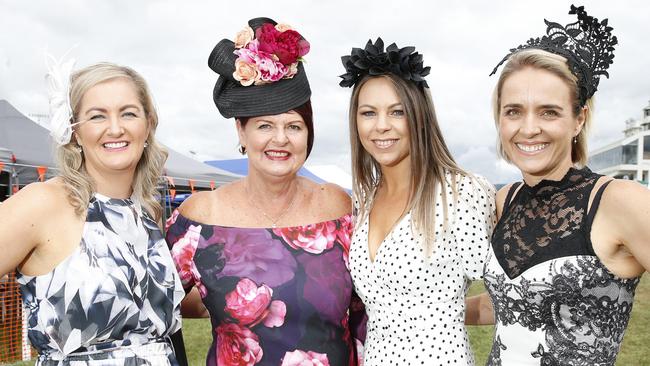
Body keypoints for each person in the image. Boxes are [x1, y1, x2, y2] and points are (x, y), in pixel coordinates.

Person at [165, 17, 365, 366]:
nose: (280, 139)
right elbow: (151, 314)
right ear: (241, 133)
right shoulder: (199, 217)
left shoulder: (338, 206)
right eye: (264, 125)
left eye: (293, 125)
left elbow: (366, 313)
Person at [465, 6, 650, 365]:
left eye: (549, 111)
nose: (529, 128)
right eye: (514, 111)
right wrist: (413, 310)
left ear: (578, 119)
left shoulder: (619, 201)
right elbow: (506, 302)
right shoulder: (504, 200)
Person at [0, 61, 183, 364]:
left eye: (128, 113)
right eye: (97, 116)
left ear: (148, 124)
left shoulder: (148, 211)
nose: (115, 128)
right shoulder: (43, 203)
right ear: (74, 132)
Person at [338, 38, 496, 365]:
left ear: (419, 116)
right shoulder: (364, 200)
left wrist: (441, 315)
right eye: (369, 113)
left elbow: (512, 296)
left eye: (397, 111)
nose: (381, 125)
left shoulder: (460, 193)